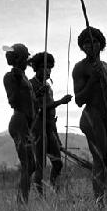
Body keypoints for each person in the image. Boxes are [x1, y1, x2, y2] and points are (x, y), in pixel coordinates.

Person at [72, 26, 107, 204]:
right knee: (100, 160)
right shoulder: (80, 68)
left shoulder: (105, 65)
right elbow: (79, 99)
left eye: (94, 42)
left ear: (101, 44)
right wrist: (92, 80)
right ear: (82, 47)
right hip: (92, 118)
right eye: (86, 43)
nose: (90, 46)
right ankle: (100, 203)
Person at [28, 52, 72, 195]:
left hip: (49, 127)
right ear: (35, 68)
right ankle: (41, 197)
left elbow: (50, 114)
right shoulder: (31, 85)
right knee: (40, 165)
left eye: (50, 68)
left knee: (58, 163)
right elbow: (39, 109)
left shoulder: (48, 87)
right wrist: (60, 102)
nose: (47, 71)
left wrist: (56, 136)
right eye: (43, 68)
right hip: (38, 128)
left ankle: (55, 190)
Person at [3, 43, 36, 205]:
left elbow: (31, 101)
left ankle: (22, 199)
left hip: (27, 124)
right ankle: (22, 203)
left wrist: (38, 93)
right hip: (19, 122)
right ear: (20, 59)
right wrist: (16, 80)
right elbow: (13, 100)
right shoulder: (10, 77)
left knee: (32, 165)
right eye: (25, 58)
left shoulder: (24, 78)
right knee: (27, 164)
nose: (27, 62)